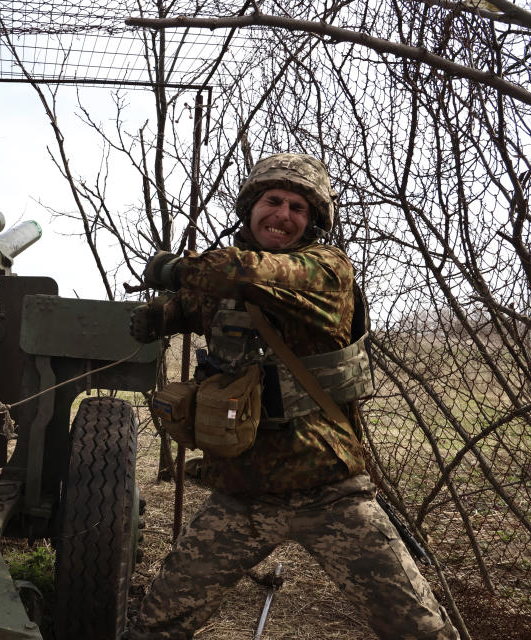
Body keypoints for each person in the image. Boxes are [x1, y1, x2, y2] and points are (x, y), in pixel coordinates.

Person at [127, 153, 460, 640]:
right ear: (251, 207)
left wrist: (175, 268)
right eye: (273, 201)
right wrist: (157, 317)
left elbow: (246, 274)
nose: (283, 215)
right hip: (243, 493)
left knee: (419, 630)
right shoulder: (227, 283)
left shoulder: (325, 272)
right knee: (157, 626)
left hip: (328, 491)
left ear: (313, 221)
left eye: (298, 208)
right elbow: (194, 304)